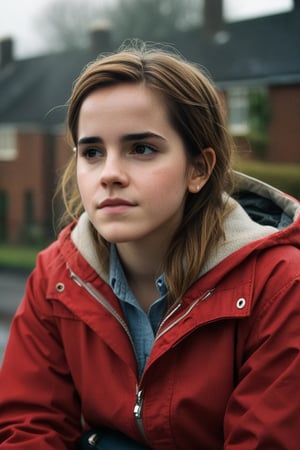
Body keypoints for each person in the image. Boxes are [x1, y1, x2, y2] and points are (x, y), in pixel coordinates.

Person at [0, 41, 299, 450]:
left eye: (141, 149)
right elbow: (27, 429)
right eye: (92, 152)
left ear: (199, 169)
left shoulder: (280, 285)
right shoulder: (56, 278)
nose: (110, 174)